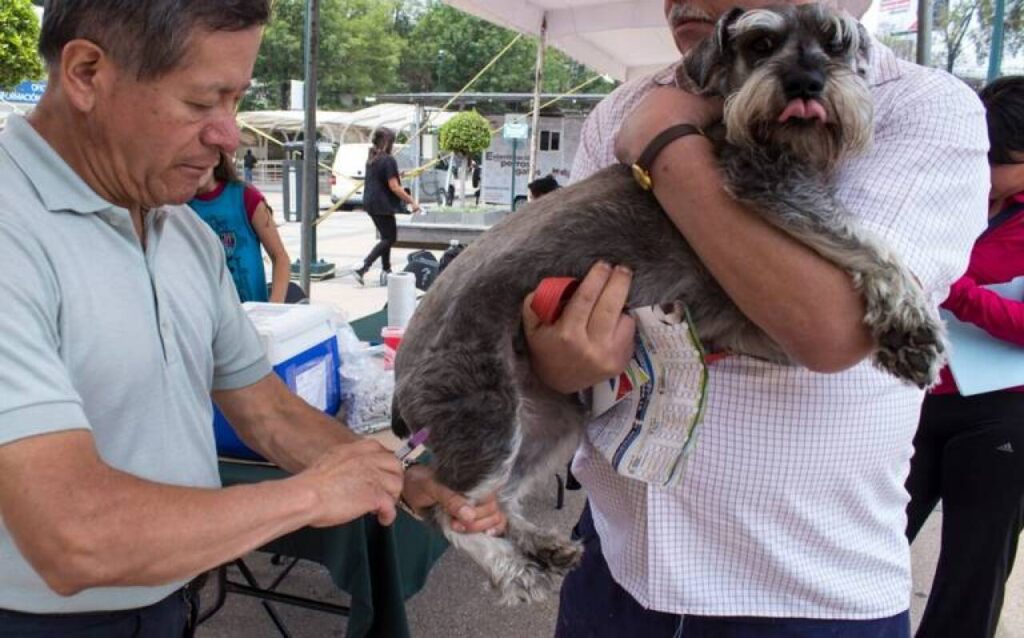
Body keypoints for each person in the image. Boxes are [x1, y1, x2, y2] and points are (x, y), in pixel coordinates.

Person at [0, 2, 503, 635]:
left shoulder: (178, 227)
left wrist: (398, 478)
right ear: (86, 73)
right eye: (202, 102)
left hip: (173, 596)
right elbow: (73, 535)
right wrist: (313, 494)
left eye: (235, 100)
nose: (228, 135)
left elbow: (262, 406)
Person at [520, 0, 990, 635]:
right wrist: (560, 359)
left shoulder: (921, 105)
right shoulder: (622, 107)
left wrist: (666, 144)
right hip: (617, 560)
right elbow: (569, 298)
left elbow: (835, 330)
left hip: (801, 590)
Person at [905, 75, 1024, 638]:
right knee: (870, 537)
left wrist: (955, 287)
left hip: (1002, 409)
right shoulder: (952, 189)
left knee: (972, 572)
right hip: (920, 395)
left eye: (999, 158)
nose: (986, 169)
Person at [190, 153, 289, 303]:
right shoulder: (176, 208)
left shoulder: (246, 197)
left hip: (253, 316)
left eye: (199, 156)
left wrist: (274, 306)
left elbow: (280, 257)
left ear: (216, 157)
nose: (194, 167)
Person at [352, 128, 420, 286]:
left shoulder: (372, 158)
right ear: (388, 142)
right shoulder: (388, 160)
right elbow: (395, 187)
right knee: (390, 238)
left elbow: (383, 178)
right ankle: (363, 266)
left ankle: (386, 271)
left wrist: (397, 175)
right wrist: (412, 202)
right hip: (382, 204)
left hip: (370, 202)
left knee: (385, 237)